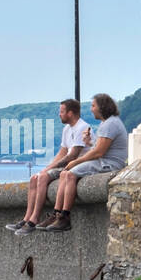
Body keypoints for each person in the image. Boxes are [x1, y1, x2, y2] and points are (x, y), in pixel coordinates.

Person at [39, 93, 127, 232]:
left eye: (93, 106)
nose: (91, 109)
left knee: (69, 174)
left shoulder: (110, 124)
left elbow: (99, 153)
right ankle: (57, 214)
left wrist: (76, 162)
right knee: (65, 174)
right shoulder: (108, 123)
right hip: (105, 161)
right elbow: (99, 148)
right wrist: (89, 143)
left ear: (102, 107)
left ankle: (65, 217)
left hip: (109, 164)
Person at [8, 99, 89, 235]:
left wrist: (47, 171)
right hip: (67, 165)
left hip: (74, 165)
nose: (59, 114)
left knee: (43, 177)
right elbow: (62, 152)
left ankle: (34, 220)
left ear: (70, 113)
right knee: (35, 178)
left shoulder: (82, 127)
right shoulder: (67, 129)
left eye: (62, 111)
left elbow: (72, 156)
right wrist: (47, 167)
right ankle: (26, 218)